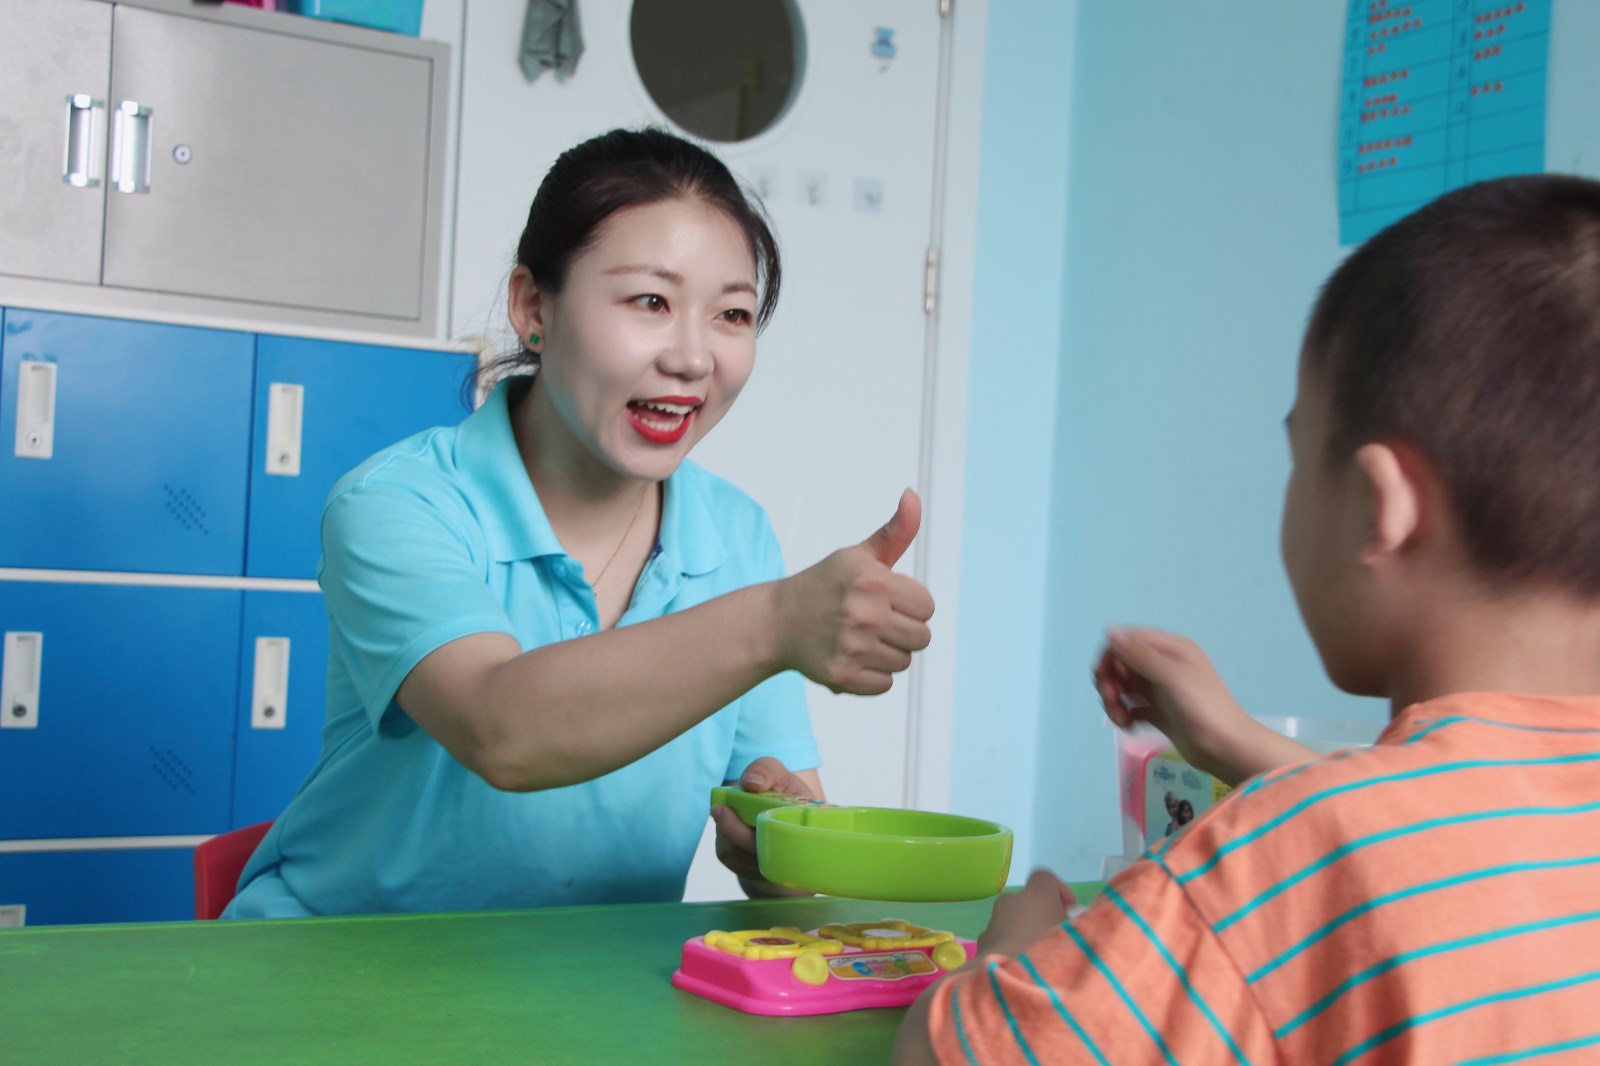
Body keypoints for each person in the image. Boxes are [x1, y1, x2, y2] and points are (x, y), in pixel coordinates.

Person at [896, 174, 1600, 1063]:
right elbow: (1467, 833)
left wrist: (1016, 943)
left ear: (1384, 508)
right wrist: (1234, 740)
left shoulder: (1278, 868)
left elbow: (953, 1055)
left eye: (1299, 453)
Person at [225, 127, 934, 918]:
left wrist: (771, 843)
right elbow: (499, 730)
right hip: (340, 975)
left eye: (732, 315)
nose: (694, 358)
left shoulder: (736, 536)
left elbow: (783, 834)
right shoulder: (401, 504)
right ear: (534, 307)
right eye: (651, 302)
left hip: (581, 993)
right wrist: (778, 622)